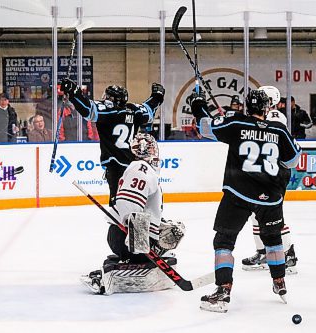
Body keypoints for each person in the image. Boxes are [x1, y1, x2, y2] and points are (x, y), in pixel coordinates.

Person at [187, 88, 301, 313]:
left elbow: (206, 127)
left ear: (248, 107)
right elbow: (293, 161)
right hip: (270, 198)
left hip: (238, 194)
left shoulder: (236, 124)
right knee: (273, 240)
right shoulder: (279, 130)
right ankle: (279, 282)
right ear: (267, 109)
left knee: (224, 241)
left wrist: (198, 105)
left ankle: (223, 291)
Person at [80, 133, 185, 295]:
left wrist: (158, 224)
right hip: (126, 238)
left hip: (124, 236)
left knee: (173, 230)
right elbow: (129, 206)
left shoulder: (140, 168)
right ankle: (133, 260)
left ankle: (137, 255)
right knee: (173, 234)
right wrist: (139, 244)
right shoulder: (141, 169)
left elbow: (140, 209)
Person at [61, 78, 165, 206]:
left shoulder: (108, 110)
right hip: (133, 164)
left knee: (118, 204)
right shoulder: (134, 110)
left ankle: (119, 219)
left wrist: (73, 92)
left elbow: (88, 110)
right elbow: (149, 109)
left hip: (115, 166)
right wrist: (157, 96)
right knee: (136, 198)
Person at [241, 85, 298, 274]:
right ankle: (263, 251)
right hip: (266, 171)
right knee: (257, 213)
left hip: (276, 171)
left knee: (272, 214)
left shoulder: (275, 117)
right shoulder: (268, 116)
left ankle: (288, 253)